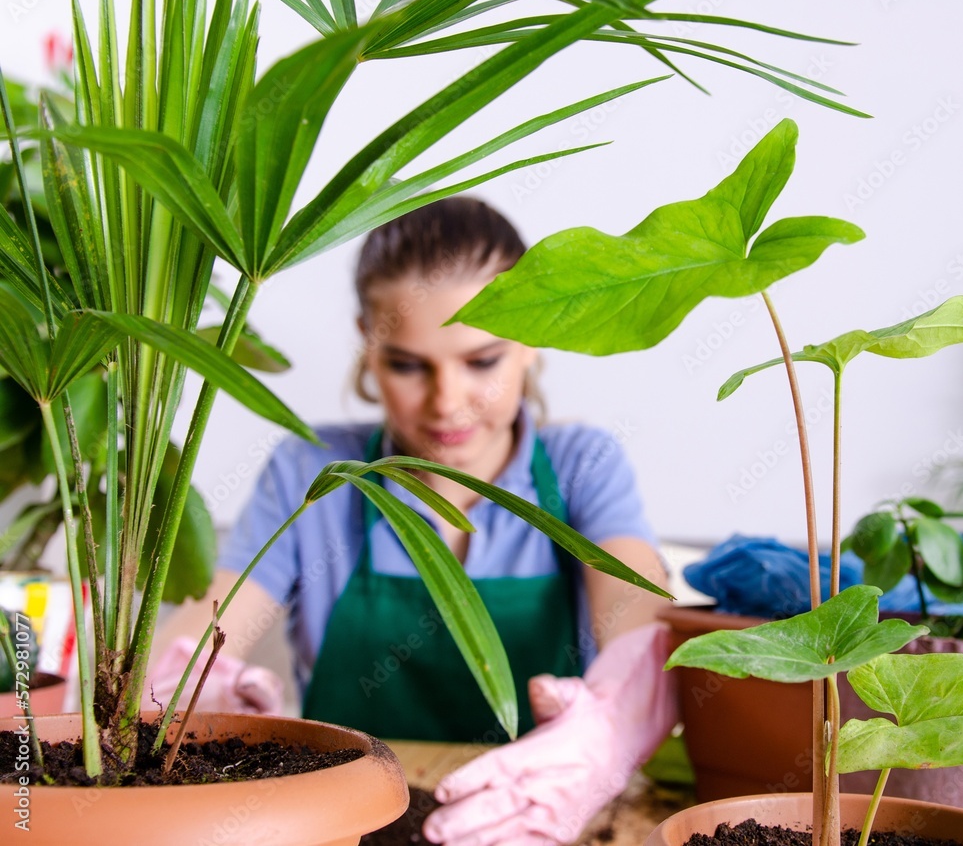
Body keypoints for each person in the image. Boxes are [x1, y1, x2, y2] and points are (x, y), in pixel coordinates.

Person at [150, 196, 678, 845]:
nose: (447, 401)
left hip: (531, 823)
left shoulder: (584, 466)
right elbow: (211, 622)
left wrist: (610, 725)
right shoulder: (312, 472)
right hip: (342, 825)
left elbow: (639, 619)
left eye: (481, 361)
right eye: (407, 364)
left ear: (532, 341)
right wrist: (196, 695)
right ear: (369, 346)